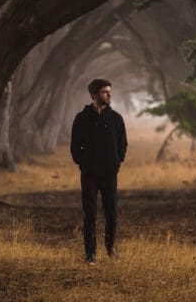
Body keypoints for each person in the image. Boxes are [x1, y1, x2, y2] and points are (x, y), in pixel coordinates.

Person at [70, 78, 127, 265]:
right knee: (90, 215)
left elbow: (122, 144)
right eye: (105, 92)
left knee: (112, 213)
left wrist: (117, 163)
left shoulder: (116, 119)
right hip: (89, 175)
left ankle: (110, 248)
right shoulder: (82, 118)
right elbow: (75, 146)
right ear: (95, 95)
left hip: (110, 175)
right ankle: (90, 254)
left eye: (110, 91)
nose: (109, 95)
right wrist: (83, 164)